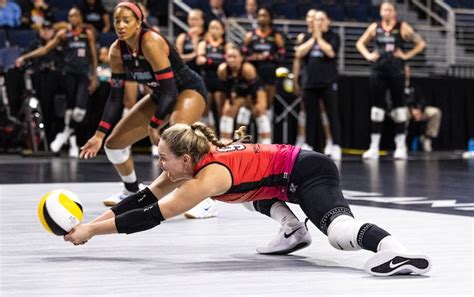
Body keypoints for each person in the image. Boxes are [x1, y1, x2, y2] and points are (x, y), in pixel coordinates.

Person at [64, 122, 432, 277]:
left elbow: (149, 216)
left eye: (163, 158)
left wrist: (92, 234)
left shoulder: (203, 180)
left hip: (308, 173)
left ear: (186, 160)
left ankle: (394, 250)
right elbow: (143, 196)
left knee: (339, 233)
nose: (158, 164)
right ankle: (293, 229)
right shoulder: (192, 165)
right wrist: (90, 226)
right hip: (284, 179)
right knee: (240, 193)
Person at [78, 2, 216, 219]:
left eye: (127, 20)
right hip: (161, 94)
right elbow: (115, 97)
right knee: (113, 145)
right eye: (117, 21)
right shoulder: (116, 51)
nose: (121, 25)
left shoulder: (150, 41)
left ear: (139, 22)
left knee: (177, 133)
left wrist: (154, 124)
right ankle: (132, 190)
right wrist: (99, 134)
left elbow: (171, 90)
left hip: (187, 89)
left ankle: (205, 200)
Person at [16, 7, 98, 157]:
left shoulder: (87, 34)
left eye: (74, 16)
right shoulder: (64, 34)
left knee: (79, 112)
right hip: (68, 74)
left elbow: (93, 56)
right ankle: (72, 142)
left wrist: (95, 77)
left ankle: (65, 134)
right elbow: (46, 49)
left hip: (83, 74)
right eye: (69, 16)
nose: (72, 19)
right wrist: (26, 57)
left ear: (80, 18)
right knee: (70, 109)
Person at [356, 0, 426, 160]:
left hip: (396, 72)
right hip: (378, 71)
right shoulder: (375, 27)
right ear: (381, 12)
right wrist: (367, 55)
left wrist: (406, 56)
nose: (386, 12)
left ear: (394, 12)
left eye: (389, 10)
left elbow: (421, 43)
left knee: (399, 108)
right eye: (384, 10)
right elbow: (360, 43)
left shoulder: (402, 26)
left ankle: (401, 146)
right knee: (376, 109)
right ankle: (374, 146)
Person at [295, 10, 342, 160]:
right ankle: (309, 144)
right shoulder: (307, 37)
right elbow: (299, 53)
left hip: (328, 82)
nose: (319, 22)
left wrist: (319, 38)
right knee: (310, 116)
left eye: (321, 19)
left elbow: (331, 52)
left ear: (328, 20)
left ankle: (335, 145)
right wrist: (313, 38)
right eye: (316, 20)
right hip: (310, 83)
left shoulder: (333, 36)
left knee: (331, 115)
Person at [217, 45, 272, 144]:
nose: (231, 60)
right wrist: (231, 100)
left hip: (254, 91)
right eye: (229, 56)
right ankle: (226, 142)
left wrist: (251, 105)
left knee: (259, 111)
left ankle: (265, 143)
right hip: (238, 92)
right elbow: (227, 88)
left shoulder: (248, 69)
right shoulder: (222, 70)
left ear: (241, 58)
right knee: (227, 111)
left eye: (234, 57)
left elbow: (254, 89)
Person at [243, 7, 285, 123]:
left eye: (265, 15)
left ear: (270, 18)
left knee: (267, 105)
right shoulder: (251, 35)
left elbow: (281, 54)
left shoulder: (275, 35)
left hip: (269, 72)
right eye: (260, 15)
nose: (262, 18)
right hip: (253, 73)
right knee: (249, 105)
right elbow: (243, 52)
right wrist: (253, 57)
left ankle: (266, 136)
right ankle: (245, 136)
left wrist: (268, 57)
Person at [196, 19, 227, 128]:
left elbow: (228, 63)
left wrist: (208, 61)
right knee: (205, 110)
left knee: (220, 111)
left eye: (217, 28)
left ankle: (223, 137)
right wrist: (217, 63)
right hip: (206, 79)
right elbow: (199, 60)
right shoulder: (204, 44)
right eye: (212, 28)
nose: (214, 30)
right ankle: (207, 138)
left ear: (223, 30)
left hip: (220, 81)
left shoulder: (226, 45)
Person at [404, 65, 441, 152]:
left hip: (418, 111)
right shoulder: (396, 86)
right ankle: (402, 142)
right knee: (403, 113)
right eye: (404, 71)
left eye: (408, 71)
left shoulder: (414, 85)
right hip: (406, 111)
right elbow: (396, 101)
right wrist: (411, 110)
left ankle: (427, 138)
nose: (406, 73)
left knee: (435, 112)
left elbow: (422, 100)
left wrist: (420, 110)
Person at [175, 9, 205, 75]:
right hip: (187, 71)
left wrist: (195, 41)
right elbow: (178, 57)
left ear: (202, 21)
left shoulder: (207, 36)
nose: (193, 22)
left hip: (204, 71)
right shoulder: (182, 37)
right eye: (191, 19)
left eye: (196, 19)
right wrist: (194, 54)